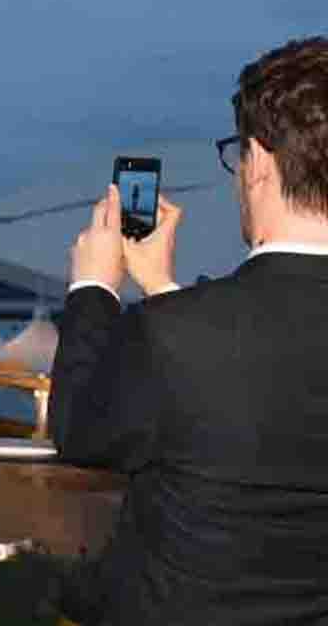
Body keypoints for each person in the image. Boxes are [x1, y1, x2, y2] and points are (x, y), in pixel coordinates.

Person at [49, 36, 328, 624]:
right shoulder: (180, 328)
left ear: (260, 162)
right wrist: (164, 290)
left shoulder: (178, 333)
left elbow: (80, 433)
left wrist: (94, 288)